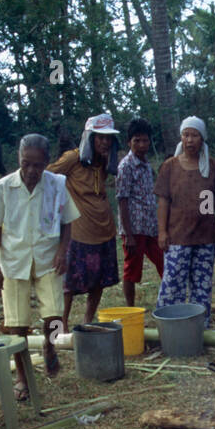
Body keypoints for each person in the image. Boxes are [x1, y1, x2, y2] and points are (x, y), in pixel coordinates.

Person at [0, 134, 79, 399]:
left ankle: (49, 347)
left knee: (55, 315)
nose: (32, 171)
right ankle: (23, 378)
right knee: (17, 325)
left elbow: (67, 223)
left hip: (48, 258)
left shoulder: (57, 185)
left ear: (47, 162)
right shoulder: (3, 187)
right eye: (26, 164)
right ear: (19, 160)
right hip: (14, 261)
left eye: (38, 165)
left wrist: (62, 252)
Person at [155, 116, 215, 326]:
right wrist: (162, 232)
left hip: (205, 235)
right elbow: (163, 201)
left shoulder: (210, 165)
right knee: (173, 284)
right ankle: (170, 325)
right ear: (181, 138)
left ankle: (199, 325)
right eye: (186, 135)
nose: (189, 140)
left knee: (202, 284)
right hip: (177, 236)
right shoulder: (170, 166)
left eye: (194, 135)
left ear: (202, 138)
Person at [50, 112, 121, 327]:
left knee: (99, 280)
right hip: (79, 231)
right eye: (100, 137)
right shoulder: (72, 159)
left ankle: (88, 321)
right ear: (90, 138)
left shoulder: (103, 162)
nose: (104, 142)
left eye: (108, 138)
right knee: (69, 284)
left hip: (104, 229)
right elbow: (48, 177)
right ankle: (61, 325)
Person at [116, 118, 162, 308]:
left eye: (145, 140)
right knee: (132, 271)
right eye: (137, 141)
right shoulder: (126, 166)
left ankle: (168, 301)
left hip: (151, 226)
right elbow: (122, 200)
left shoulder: (147, 165)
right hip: (134, 229)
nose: (142, 144)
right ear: (129, 142)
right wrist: (129, 235)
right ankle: (130, 307)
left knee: (165, 263)